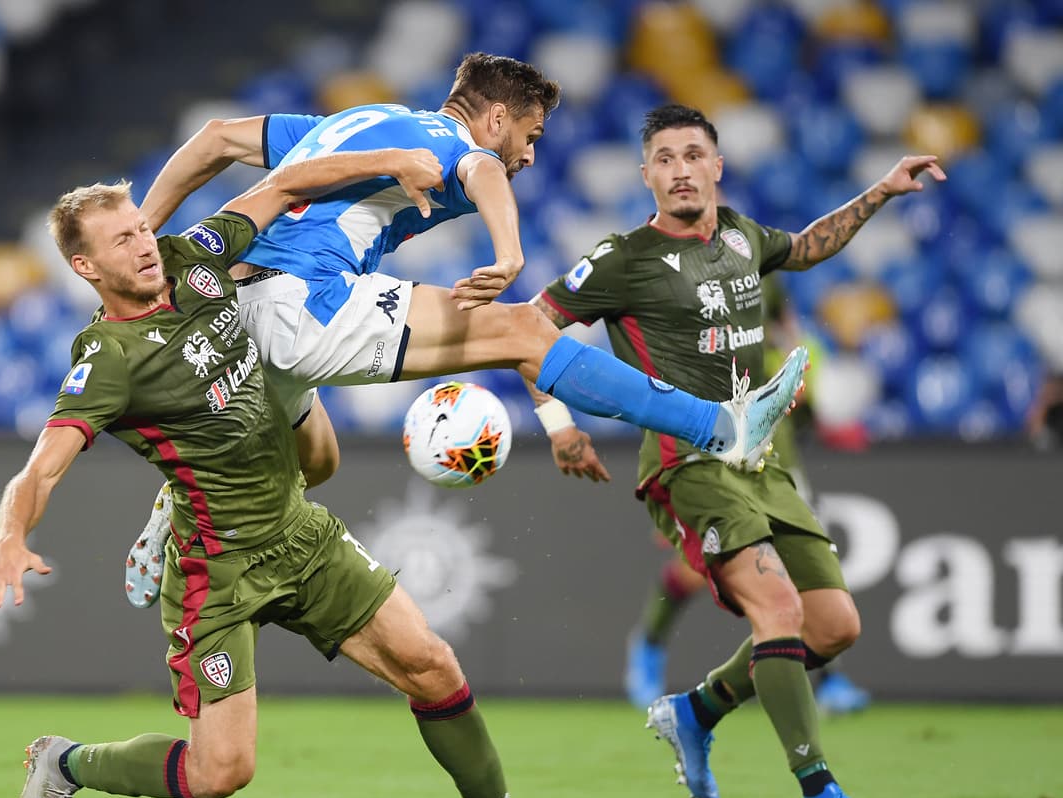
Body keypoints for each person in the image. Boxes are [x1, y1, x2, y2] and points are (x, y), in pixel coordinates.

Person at [0, 147, 593, 798]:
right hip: (220, 570)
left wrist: (396, 159)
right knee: (220, 773)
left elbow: (284, 182)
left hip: (299, 532)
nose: (145, 245)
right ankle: (64, 763)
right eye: (123, 242)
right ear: (85, 268)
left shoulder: (194, 258)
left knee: (433, 665)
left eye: (142, 229)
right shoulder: (107, 358)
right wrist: (11, 536)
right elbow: (40, 470)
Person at [121, 52, 808, 607]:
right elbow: (483, 172)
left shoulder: (362, 120)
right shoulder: (451, 140)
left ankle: (180, 509)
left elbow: (213, 140)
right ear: (499, 116)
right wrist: (508, 252)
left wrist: (142, 238)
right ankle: (720, 427)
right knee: (522, 333)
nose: (530, 156)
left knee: (318, 461)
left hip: (239, 310)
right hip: (302, 302)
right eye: (530, 137)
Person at [523, 103, 945, 798]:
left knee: (835, 626)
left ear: (717, 165)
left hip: (767, 460)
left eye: (694, 154)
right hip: (690, 462)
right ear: (646, 174)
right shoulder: (623, 258)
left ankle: (697, 712)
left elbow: (809, 247)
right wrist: (560, 426)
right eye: (664, 157)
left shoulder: (743, 236)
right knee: (778, 613)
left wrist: (880, 190)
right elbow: (528, 328)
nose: (681, 168)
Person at [622, 278, 871, 716]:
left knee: (808, 579)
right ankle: (649, 645)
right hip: (718, 468)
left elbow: (808, 403)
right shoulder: (705, 343)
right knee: (694, 573)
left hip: (781, 470)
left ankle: (829, 680)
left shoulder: (783, 340)